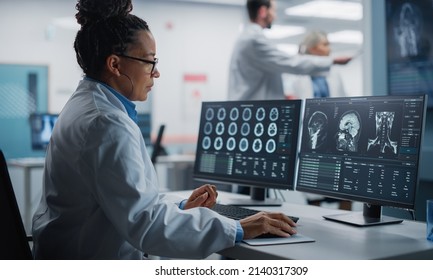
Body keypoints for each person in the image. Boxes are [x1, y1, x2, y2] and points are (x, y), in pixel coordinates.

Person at [32, 0, 296, 260]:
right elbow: (146, 225)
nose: (155, 73)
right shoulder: (106, 123)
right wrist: (239, 227)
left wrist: (181, 206)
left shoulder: (88, 106)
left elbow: (127, 202)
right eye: (149, 62)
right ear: (115, 65)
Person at [228, 0, 351, 101]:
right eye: (273, 11)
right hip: (253, 110)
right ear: (263, 11)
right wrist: (332, 61)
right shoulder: (253, 40)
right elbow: (292, 62)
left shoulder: (247, 38)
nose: (275, 16)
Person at [284, 30, 347, 99]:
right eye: (325, 45)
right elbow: (288, 93)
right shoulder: (296, 70)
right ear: (312, 48)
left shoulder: (333, 71)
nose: (329, 49)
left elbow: (343, 96)